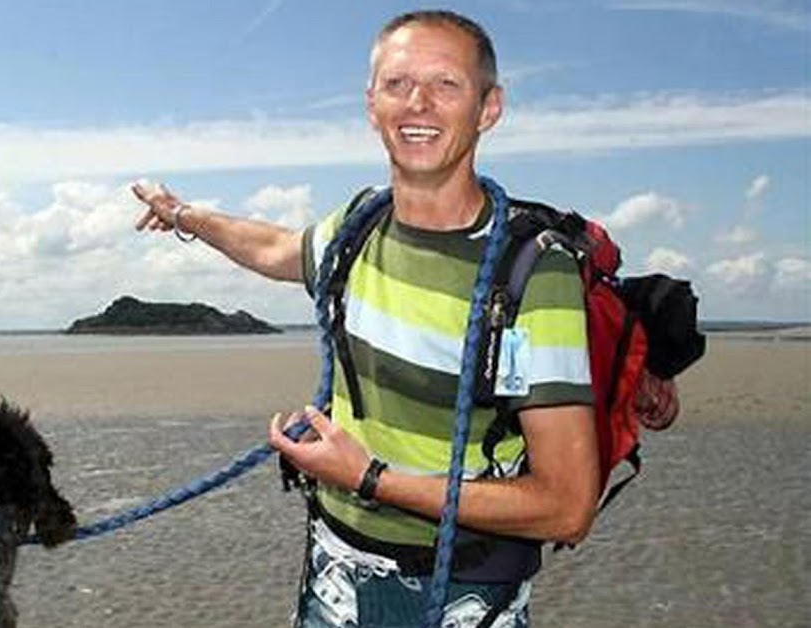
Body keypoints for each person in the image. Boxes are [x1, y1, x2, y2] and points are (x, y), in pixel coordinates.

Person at [132, 10, 598, 627]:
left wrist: (368, 477)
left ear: (489, 108)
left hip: (462, 593)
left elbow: (565, 507)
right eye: (398, 84)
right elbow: (275, 248)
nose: (419, 105)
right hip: (332, 575)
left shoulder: (536, 272)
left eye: (446, 84)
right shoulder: (358, 227)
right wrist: (186, 216)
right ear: (371, 104)